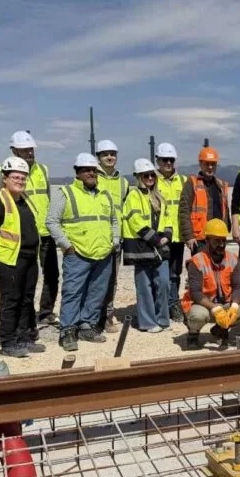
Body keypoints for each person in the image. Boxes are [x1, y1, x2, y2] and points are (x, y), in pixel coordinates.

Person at [46, 153, 119, 352]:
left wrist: (114, 240)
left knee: (97, 292)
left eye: (93, 170)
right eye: (86, 170)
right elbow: (51, 221)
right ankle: (68, 330)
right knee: (73, 292)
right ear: (77, 172)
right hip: (77, 253)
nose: (91, 173)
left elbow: (113, 220)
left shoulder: (104, 195)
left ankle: (87, 325)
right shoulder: (65, 193)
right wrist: (66, 245)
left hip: (103, 253)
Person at [0, 157, 45, 358]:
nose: (20, 181)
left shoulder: (24, 199)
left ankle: (24, 337)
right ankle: (8, 342)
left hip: (29, 257)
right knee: (11, 299)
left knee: (27, 298)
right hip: (9, 258)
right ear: (5, 179)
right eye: (15, 177)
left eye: (23, 178)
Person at [0, 131, 58, 327]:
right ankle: (22, 319)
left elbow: (47, 197)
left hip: (45, 233)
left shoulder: (43, 170)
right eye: (24, 150)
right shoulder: (4, 172)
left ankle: (46, 312)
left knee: (52, 275)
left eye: (31, 149)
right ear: (14, 151)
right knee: (24, 280)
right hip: (23, 236)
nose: (29, 153)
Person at [181, 219, 240, 350]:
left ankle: (219, 329)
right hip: (202, 304)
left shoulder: (233, 259)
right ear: (207, 241)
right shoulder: (197, 261)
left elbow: (238, 286)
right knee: (198, 315)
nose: (221, 244)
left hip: (224, 303)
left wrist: (234, 306)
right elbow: (196, 293)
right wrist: (215, 308)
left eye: (223, 240)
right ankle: (193, 334)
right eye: (217, 241)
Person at [122, 159, 171, 333]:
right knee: (144, 287)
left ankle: (162, 319)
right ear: (139, 177)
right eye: (146, 175)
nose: (150, 178)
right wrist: (156, 239)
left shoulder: (160, 197)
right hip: (141, 247)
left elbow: (168, 218)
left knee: (163, 282)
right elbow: (135, 221)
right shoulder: (133, 196)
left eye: (152, 175)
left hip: (159, 247)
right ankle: (148, 322)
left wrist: (167, 235)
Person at [95, 139, 129, 333]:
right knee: (95, 279)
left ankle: (107, 316)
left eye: (113, 154)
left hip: (116, 239)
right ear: (98, 157)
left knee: (112, 280)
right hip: (96, 237)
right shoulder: (92, 177)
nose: (110, 157)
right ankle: (93, 316)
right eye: (105, 154)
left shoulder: (123, 182)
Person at [155, 142, 188, 322]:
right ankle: (160, 305)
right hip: (160, 236)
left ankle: (174, 304)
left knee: (175, 273)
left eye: (171, 160)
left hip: (178, 236)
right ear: (158, 160)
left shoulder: (183, 181)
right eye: (164, 159)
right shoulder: (152, 180)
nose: (168, 163)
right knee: (160, 274)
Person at [179, 147, 229, 256]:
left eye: (213, 164)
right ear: (200, 164)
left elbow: (225, 211)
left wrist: (226, 231)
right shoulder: (192, 183)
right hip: (200, 239)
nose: (210, 167)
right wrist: (189, 236)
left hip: (218, 237)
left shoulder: (221, 186)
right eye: (207, 164)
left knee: (217, 266)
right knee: (200, 265)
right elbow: (184, 211)